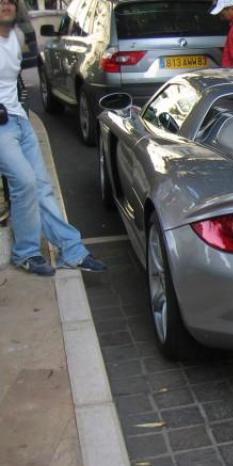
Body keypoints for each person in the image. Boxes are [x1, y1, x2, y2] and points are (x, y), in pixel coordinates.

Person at [0, 0, 106, 277]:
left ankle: (72, 251)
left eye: (9, 0)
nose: (5, 5)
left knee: (42, 186)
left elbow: (15, 82)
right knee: (24, 184)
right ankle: (26, 254)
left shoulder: (14, 37)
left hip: (19, 121)